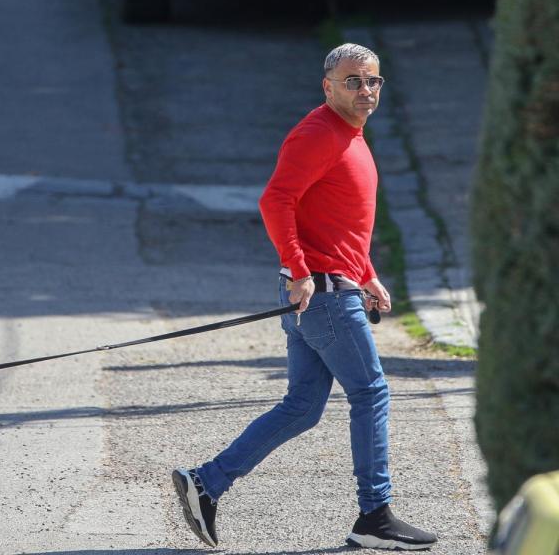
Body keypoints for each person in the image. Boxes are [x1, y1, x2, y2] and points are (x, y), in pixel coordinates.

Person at [171, 43, 437, 551]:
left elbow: (336, 222)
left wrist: (368, 273)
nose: (365, 90)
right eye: (353, 81)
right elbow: (276, 200)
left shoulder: (349, 135)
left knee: (302, 407)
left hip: (331, 287)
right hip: (323, 295)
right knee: (371, 393)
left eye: (373, 81)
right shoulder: (319, 133)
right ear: (328, 86)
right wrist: (299, 270)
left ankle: (207, 482)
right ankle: (375, 516)